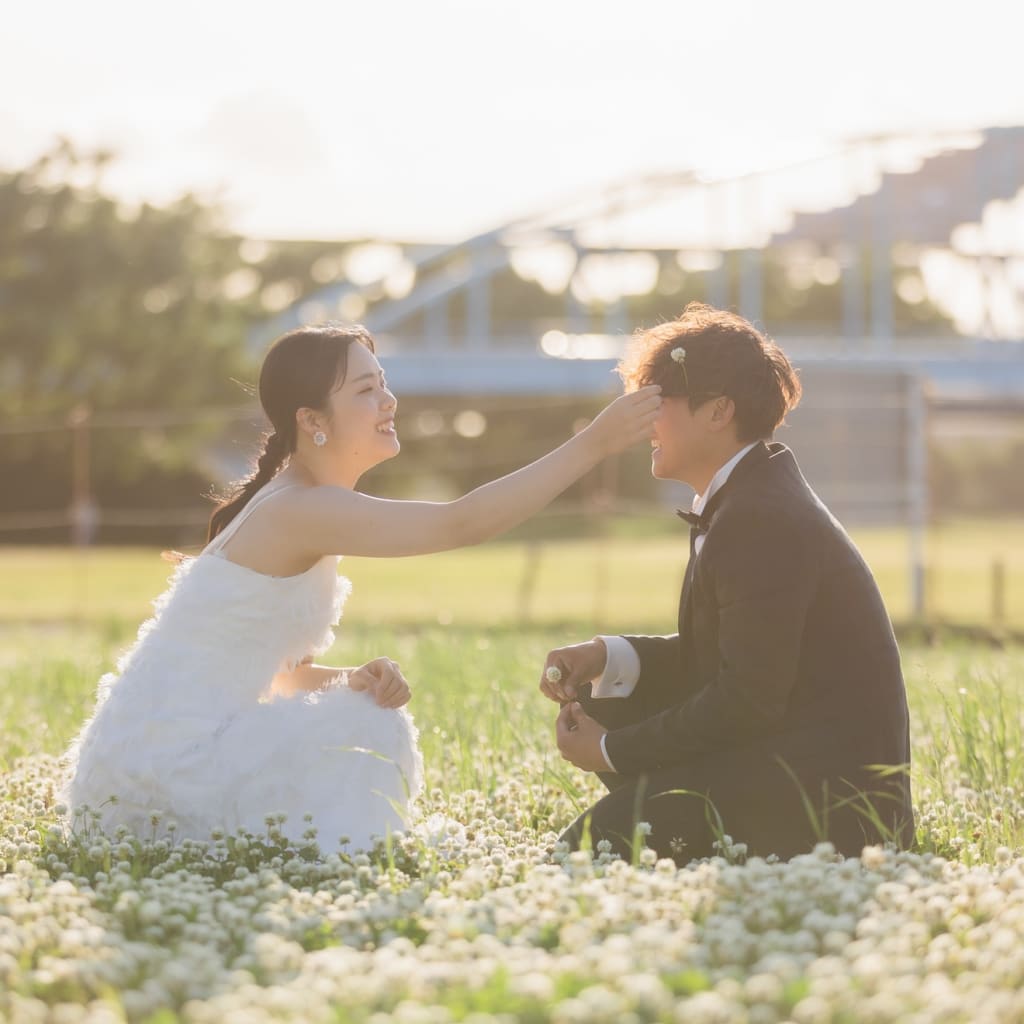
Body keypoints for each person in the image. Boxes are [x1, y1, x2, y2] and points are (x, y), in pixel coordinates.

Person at [62, 322, 660, 851]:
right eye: (365, 390)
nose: (388, 400)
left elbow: (281, 677)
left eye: (383, 382)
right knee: (369, 728)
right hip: (161, 778)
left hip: (130, 779)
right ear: (312, 421)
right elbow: (463, 522)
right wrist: (595, 443)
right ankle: (355, 844)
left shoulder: (300, 504)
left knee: (363, 706)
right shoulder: (301, 508)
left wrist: (352, 679)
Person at [541, 303, 914, 863]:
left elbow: (745, 698)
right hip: (792, 760)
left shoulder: (760, 516)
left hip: (833, 807)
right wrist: (604, 656)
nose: (644, 421)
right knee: (614, 702)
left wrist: (610, 750)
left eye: (657, 402)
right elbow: (736, 654)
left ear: (718, 412)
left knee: (594, 844)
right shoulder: (749, 496)